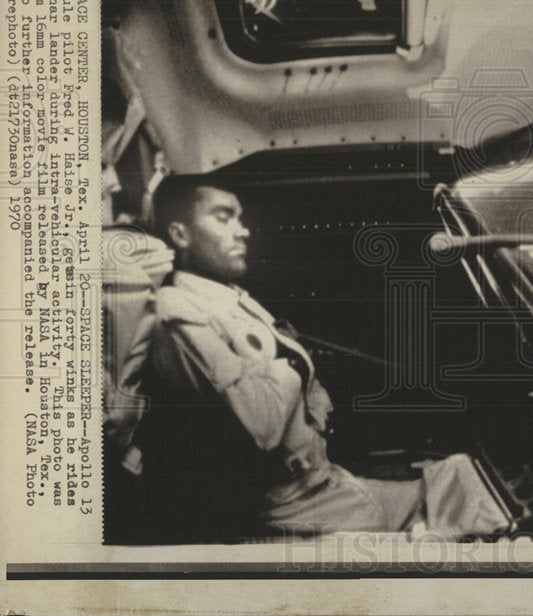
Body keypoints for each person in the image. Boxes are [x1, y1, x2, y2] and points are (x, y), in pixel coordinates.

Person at [134, 174, 507, 543]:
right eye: (223, 217)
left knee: (461, 476)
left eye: (240, 217)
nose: (242, 230)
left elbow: (298, 377)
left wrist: (301, 381)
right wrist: (291, 364)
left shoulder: (231, 298)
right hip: (290, 514)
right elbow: (262, 425)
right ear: (180, 234)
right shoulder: (179, 314)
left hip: (326, 485)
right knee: (467, 540)